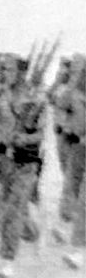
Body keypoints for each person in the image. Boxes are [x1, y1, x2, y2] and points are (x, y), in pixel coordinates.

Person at [0, 54, 49, 278]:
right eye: (2, 69)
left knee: (15, 205)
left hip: (25, 159)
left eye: (8, 70)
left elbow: (41, 133)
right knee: (11, 201)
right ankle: (33, 233)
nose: (3, 74)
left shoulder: (36, 97)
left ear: (21, 72)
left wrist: (24, 139)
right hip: (3, 158)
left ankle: (7, 259)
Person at [49, 56, 84, 245]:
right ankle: (69, 221)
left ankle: (67, 225)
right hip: (66, 141)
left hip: (77, 142)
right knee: (70, 181)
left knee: (73, 183)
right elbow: (55, 100)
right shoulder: (68, 92)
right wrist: (62, 77)